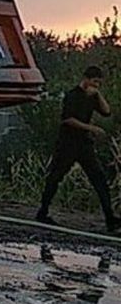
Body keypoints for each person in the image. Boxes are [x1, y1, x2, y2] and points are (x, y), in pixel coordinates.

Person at [36, 65, 121, 232]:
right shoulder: (72, 95)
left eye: (99, 83)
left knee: (99, 179)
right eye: (95, 82)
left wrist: (97, 94)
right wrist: (91, 128)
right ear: (86, 79)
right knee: (56, 177)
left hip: (84, 145)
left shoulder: (93, 96)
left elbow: (106, 111)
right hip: (68, 143)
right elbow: (68, 119)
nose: (96, 85)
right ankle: (43, 211)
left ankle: (110, 218)